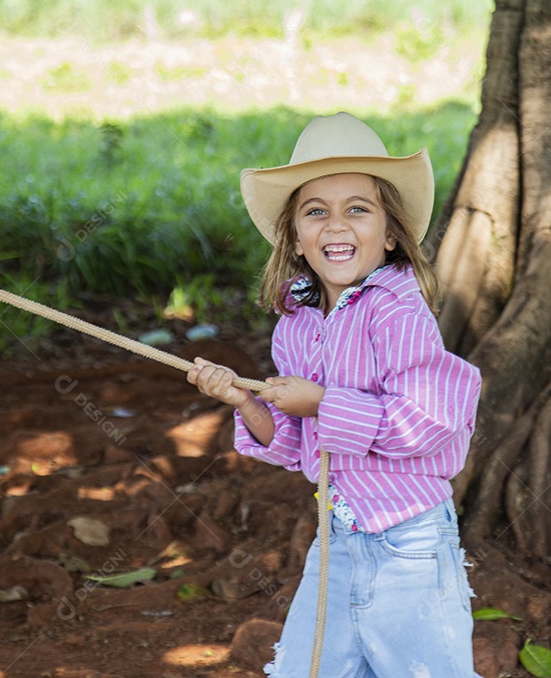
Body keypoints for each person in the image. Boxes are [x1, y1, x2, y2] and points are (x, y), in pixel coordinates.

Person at [188, 111, 482, 677]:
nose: (336, 225)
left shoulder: (398, 311)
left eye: (358, 209)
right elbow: (298, 442)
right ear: (296, 238)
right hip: (338, 535)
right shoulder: (296, 324)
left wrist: (322, 400)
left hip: (410, 543)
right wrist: (245, 401)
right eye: (316, 212)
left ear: (390, 233)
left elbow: (424, 423)